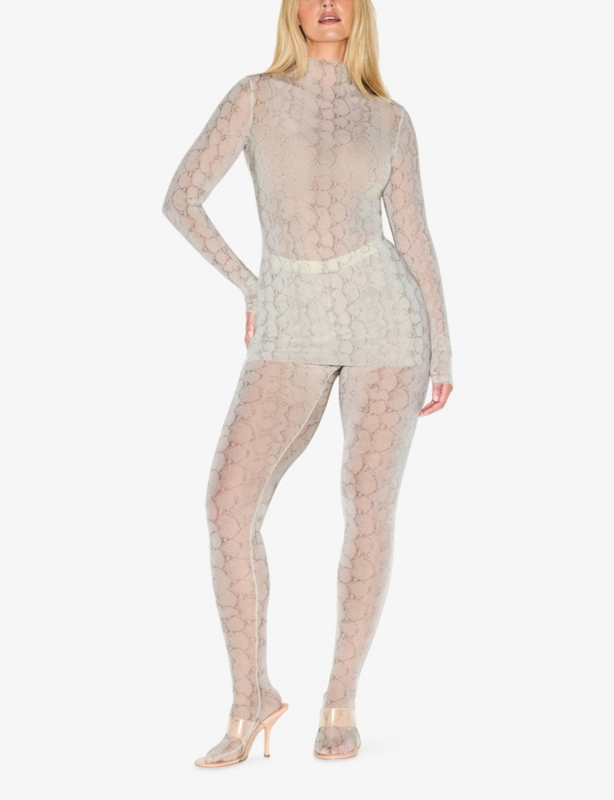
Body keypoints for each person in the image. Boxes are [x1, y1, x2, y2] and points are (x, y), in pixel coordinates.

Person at [162, 0, 453, 766]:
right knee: (228, 504)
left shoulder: (390, 119)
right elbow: (182, 199)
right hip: (291, 318)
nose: (327, 3)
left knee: (366, 502)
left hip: (388, 320)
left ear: (359, 11)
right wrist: (251, 287)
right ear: (292, 8)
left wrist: (445, 349)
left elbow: (414, 236)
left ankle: (340, 699)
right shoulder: (255, 96)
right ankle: (250, 697)